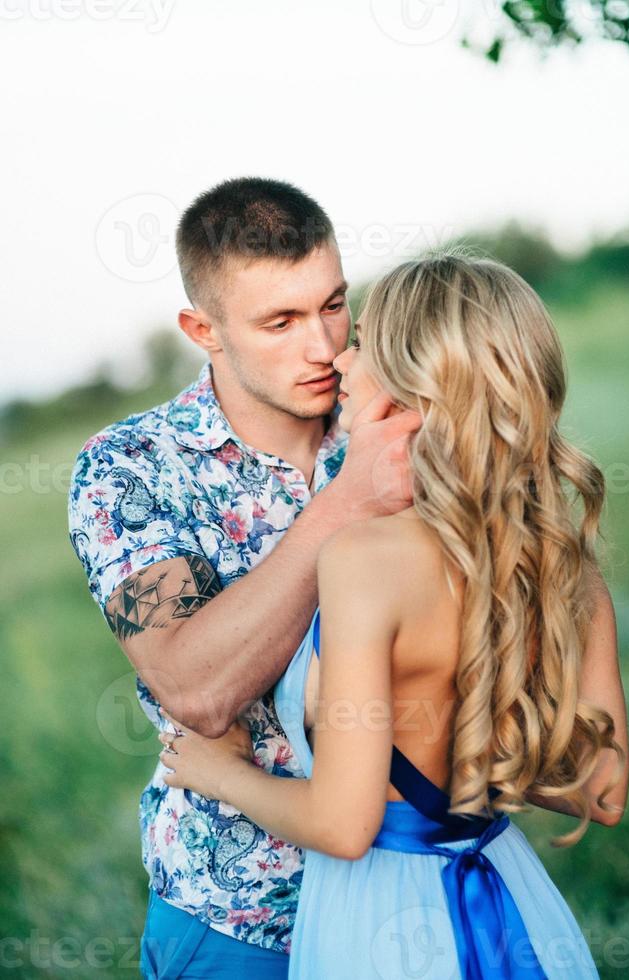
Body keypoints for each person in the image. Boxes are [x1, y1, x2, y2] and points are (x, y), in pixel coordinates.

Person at [159, 253, 629, 979]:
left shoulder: (365, 560)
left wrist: (215, 772)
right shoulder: (560, 562)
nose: (342, 361)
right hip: (513, 896)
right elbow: (600, 790)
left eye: (364, 344)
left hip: (386, 916)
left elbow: (344, 827)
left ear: (414, 386)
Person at [67, 177, 422, 979]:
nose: (324, 347)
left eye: (333, 304)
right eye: (280, 322)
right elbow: (196, 691)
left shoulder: (393, 418)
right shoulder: (127, 469)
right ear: (204, 330)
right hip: (242, 919)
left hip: (410, 887)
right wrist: (345, 503)